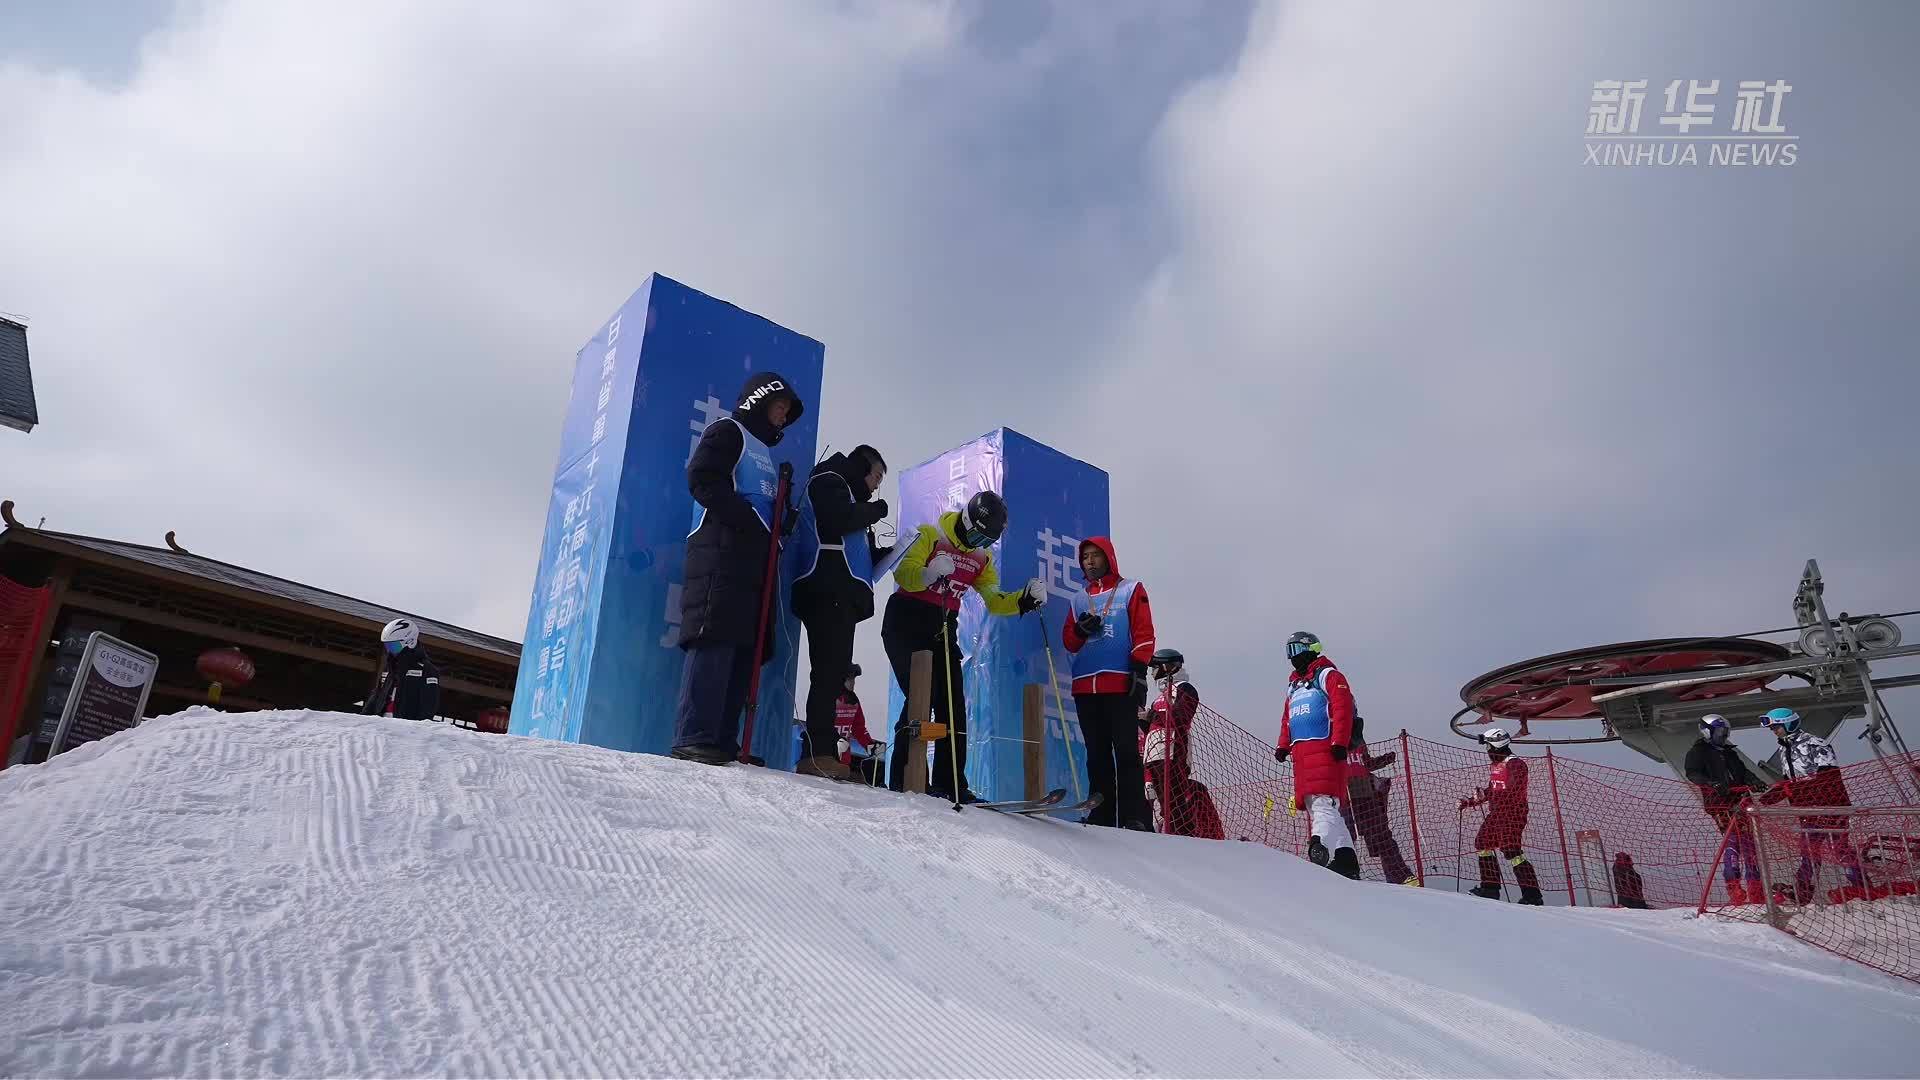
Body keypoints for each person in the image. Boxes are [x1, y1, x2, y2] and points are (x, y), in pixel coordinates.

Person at [671, 372, 804, 767]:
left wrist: (783, 520)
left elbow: (764, 505)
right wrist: (745, 517)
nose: (783, 417)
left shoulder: (765, 455)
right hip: (721, 553)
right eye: (779, 407)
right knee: (714, 638)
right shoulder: (729, 431)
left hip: (754, 563)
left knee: (744, 647)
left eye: (787, 412)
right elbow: (702, 478)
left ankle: (723, 739)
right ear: (760, 400)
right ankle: (695, 734)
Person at [881, 490, 1045, 801]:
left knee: (952, 704)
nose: (977, 544)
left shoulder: (981, 558)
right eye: (975, 535)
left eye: (985, 541)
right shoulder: (931, 535)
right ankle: (906, 779)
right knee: (921, 695)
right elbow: (904, 572)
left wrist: (1023, 600)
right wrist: (928, 573)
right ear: (965, 521)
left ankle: (951, 784)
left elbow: (994, 599)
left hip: (943, 627)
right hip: (905, 621)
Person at [792, 444, 891, 779]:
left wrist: (891, 553)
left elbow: (857, 548)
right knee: (826, 672)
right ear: (862, 467)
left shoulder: (851, 499)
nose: (875, 487)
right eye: (876, 477)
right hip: (826, 588)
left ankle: (823, 749)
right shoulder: (829, 479)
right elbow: (835, 519)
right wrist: (874, 511)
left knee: (834, 673)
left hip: (842, 593)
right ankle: (816, 753)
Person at [1062, 536, 1156, 830]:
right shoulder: (1078, 599)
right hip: (1085, 686)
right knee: (1096, 754)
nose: (1089, 562)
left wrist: (1139, 671)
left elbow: (1144, 633)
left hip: (1119, 683)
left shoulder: (1131, 589)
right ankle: (1101, 814)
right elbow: (1069, 642)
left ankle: (1134, 816)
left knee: (1126, 751)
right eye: (1085, 557)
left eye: (1095, 555)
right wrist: (1079, 630)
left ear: (1109, 558)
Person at [1274, 631, 1360, 879]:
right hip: (1302, 754)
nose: (1292, 657)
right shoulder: (1294, 686)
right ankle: (1346, 860)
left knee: (1324, 803)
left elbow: (1342, 708)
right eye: (1289, 652)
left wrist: (1339, 741)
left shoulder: (1329, 676)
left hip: (1325, 749)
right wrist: (1283, 745)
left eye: (1296, 650)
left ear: (1311, 649)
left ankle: (1318, 850)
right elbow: (1288, 717)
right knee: (1317, 805)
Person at [1757, 706, 1864, 902]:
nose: (1773, 731)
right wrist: (1768, 798)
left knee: (1838, 849)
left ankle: (1861, 885)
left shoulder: (1815, 743)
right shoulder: (1784, 749)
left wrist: (1799, 791)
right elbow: (1790, 782)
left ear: (1789, 724)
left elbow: (1829, 777)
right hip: (1807, 811)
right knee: (1808, 851)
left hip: (1830, 807)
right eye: (1772, 728)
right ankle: (1803, 889)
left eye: (1776, 727)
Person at [1139, 648, 1224, 839]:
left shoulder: (1185, 688)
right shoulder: (1159, 697)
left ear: (1167, 667)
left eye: (1155, 667)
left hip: (1173, 751)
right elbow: (1154, 727)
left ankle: (1183, 836)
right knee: (1163, 800)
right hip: (1154, 754)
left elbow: (1181, 717)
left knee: (1174, 800)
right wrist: (1143, 719)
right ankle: (1169, 834)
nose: (1152, 673)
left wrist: (1152, 716)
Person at [1683, 714, 1763, 905]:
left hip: (1741, 801)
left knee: (1749, 844)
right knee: (1733, 841)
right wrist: (1712, 784)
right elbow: (1693, 773)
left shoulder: (1729, 752)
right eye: (1719, 732)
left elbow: (1742, 772)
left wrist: (1755, 781)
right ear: (1708, 732)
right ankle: (1733, 885)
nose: (1723, 736)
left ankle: (1756, 887)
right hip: (1720, 804)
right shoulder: (1698, 752)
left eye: (1725, 732)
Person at [1459, 728, 1544, 905]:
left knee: (1511, 849)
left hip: (1513, 812)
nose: (1487, 750)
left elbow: (1513, 788)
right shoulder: (1497, 765)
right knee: (1483, 842)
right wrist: (1472, 801)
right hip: (1497, 812)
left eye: (1488, 746)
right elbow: (1493, 790)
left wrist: (1494, 796)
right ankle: (1489, 889)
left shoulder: (1516, 764)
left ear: (1495, 746)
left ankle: (1532, 895)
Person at [1340, 715, 1416, 885]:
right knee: (1345, 838)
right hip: (1345, 798)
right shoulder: (1330, 736)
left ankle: (1401, 877)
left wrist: (1384, 760)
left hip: (1366, 795)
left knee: (1383, 837)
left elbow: (1366, 763)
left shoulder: (1358, 738)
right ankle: (1345, 877)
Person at [365, 617, 440, 722]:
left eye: (394, 646)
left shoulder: (427, 670)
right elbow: (376, 695)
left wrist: (418, 728)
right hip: (380, 724)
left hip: (404, 727)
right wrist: (363, 718)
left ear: (410, 642)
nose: (390, 651)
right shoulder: (389, 668)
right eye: (388, 646)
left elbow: (428, 705)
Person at [832, 664, 886, 786]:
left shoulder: (853, 701)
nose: (853, 683)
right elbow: (820, 725)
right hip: (826, 759)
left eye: (854, 679)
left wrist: (870, 745)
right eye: (850, 679)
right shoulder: (830, 698)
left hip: (844, 762)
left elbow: (859, 728)